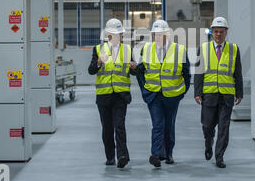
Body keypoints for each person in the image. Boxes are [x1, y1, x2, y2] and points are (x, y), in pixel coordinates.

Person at [136, 20, 191, 168]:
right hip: (153, 95)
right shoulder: (146, 49)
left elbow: (187, 74)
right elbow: (140, 72)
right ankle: (155, 154)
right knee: (157, 124)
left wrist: (181, 93)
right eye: (155, 34)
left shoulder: (180, 50)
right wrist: (144, 90)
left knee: (169, 125)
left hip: (172, 95)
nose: (158, 37)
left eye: (161, 34)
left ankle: (168, 154)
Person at [194, 17, 243, 168]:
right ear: (212, 32)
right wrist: (197, 92)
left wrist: (239, 93)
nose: (218, 34)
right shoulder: (203, 48)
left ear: (226, 32)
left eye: (221, 32)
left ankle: (219, 157)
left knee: (224, 127)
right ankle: (208, 143)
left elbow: (238, 72)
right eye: (216, 32)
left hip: (227, 95)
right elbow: (198, 72)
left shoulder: (233, 49)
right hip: (209, 93)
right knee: (207, 126)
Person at [88, 18, 137, 168]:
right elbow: (90, 70)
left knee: (119, 126)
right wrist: (98, 63)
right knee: (107, 129)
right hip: (104, 96)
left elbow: (134, 71)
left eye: (120, 34)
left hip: (120, 95)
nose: (117, 37)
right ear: (108, 35)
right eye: (114, 34)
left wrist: (135, 67)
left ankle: (122, 155)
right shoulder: (98, 49)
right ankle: (110, 156)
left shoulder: (127, 50)